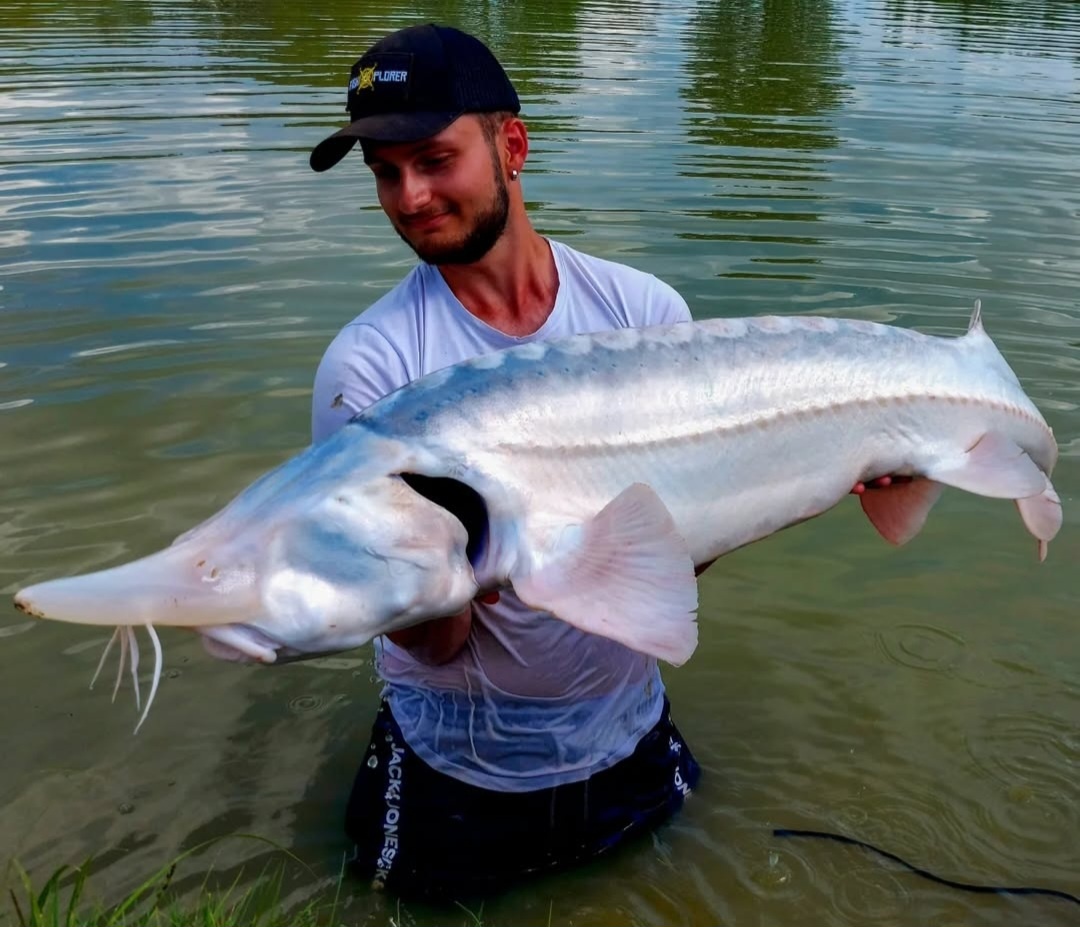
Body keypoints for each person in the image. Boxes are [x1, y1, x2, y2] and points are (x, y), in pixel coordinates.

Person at [308, 24, 701, 899]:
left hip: (631, 736)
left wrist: (823, 467)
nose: (408, 197)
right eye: (384, 172)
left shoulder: (642, 313)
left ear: (511, 145)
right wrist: (452, 566)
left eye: (434, 159)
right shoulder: (372, 371)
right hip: (461, 773)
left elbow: (677, 552)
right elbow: (437, 643)